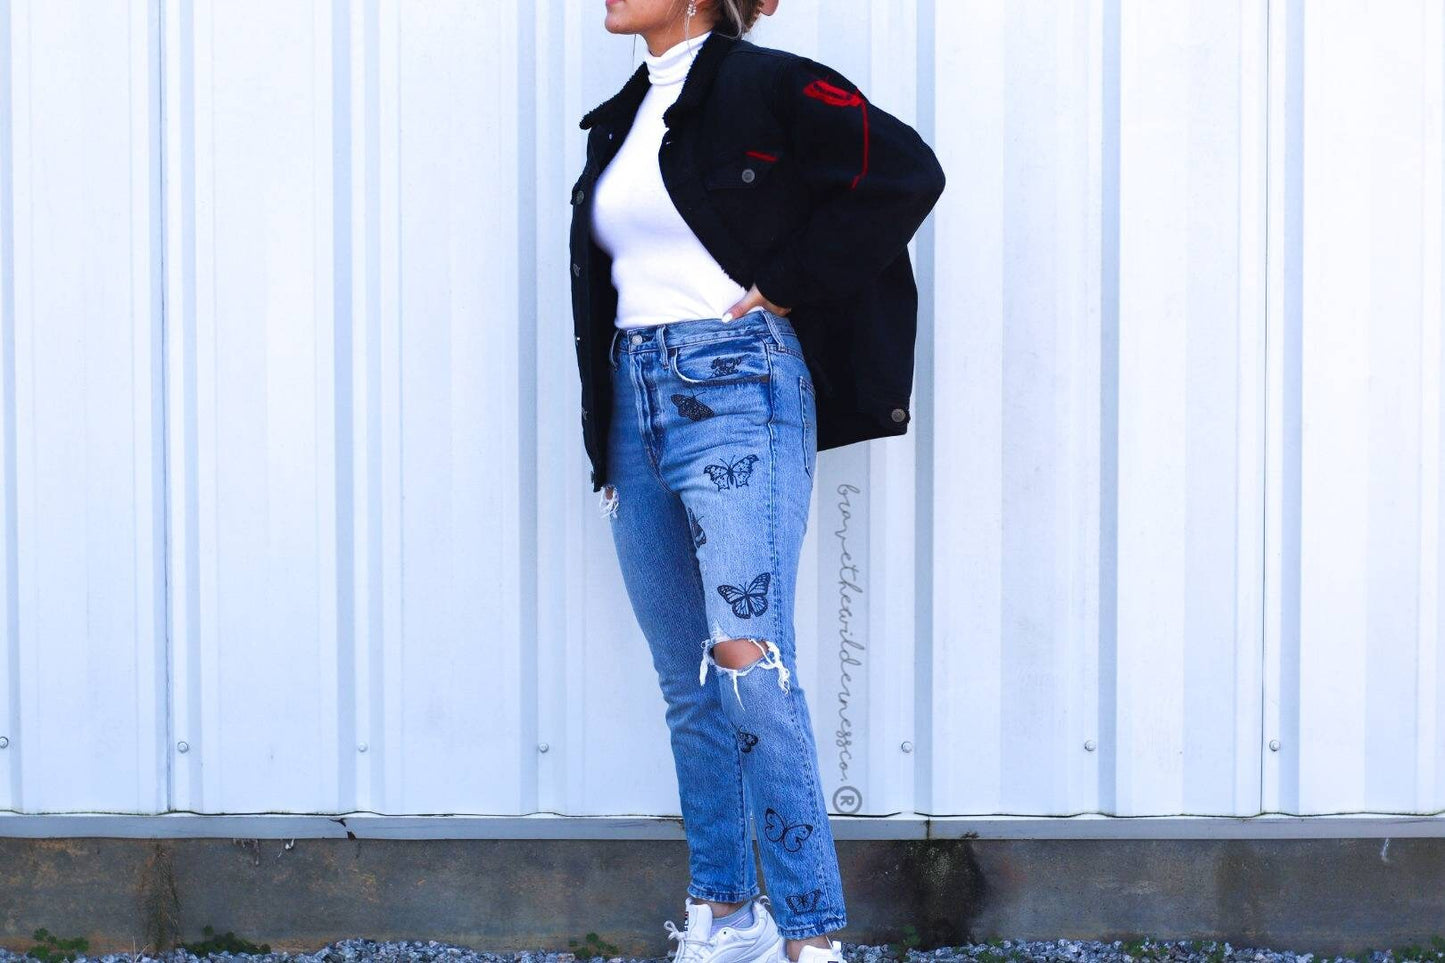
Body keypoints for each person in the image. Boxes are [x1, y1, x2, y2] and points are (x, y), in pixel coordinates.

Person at [569, 2, 945, 962]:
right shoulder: (620, 115)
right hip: (633, 398)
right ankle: (725, 915)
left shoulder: (768, 83)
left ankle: (810, 934)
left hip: (735, 387)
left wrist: (787, 278)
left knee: (747, 666)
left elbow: (902, 170)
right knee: (685, 680)